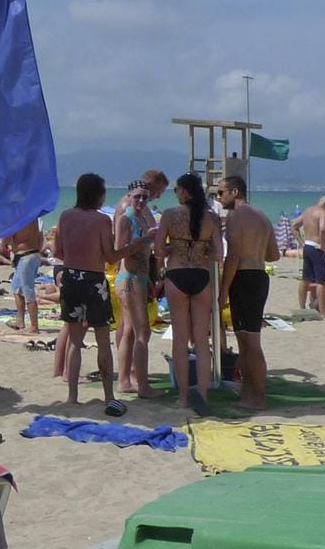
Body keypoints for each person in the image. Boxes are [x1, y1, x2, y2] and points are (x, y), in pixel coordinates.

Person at [55, 173, 119, 414]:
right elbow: (111, 256)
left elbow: (58, 251)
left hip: (71, 277)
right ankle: (108, 395)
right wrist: (133, 246)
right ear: (98, 195)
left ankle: (72, 396)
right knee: (103, 341)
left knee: (75, 341)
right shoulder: (102, 221)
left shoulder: (65, 216)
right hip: (93, 280)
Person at [159, 173, 220, 417]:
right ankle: (203, 394)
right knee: (202, 341)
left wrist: (174, 247)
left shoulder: (169, 215)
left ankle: (184, 398)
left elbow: (157, 249)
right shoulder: (212, 218)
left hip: (177, 274)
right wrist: (202, 251)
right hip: (201, 275)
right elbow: (218, 254)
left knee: (180, 340)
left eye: (176, 190)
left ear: (183, 192)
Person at [217, 175, 276, 410]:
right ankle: (250, 392)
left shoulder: (235, 216)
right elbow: (274, 255)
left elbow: (233, 257)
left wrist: (223, 289)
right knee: (246, 341)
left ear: (235, 192)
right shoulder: (262, 216)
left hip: (244, 278)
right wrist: (256, 248)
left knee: (250, 342)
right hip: (260, 277)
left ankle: (258, 397)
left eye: (221, 193)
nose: (218, 198)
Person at [113, 173, 161, 398]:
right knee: (143, 331)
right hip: (128, 279)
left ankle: (125, 381)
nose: (141, 201)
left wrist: (151, 278)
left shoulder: (142, 218)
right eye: (138, 197)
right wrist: (144, 239)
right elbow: (118, 252)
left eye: (145, 198)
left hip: (140, 278)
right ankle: (143, 387)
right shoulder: (126, 218)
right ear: (129, 196)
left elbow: (144, 252)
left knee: (131, 332)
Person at [6, 215, 43, 334]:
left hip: (25, 257)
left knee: (28, 291)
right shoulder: (33, 217)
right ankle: (20, 321)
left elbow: (6, 240)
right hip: (33, 254)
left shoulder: (17, 219)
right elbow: (40, 237)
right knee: (16, 288)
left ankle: (34, 327)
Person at [297, 194, 325, 317]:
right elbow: (322, 229)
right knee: (321, 281)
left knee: (305, 279)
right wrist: (322, 245)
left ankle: (302, 307)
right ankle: (323, 313)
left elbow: (294, 226)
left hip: (307, 245)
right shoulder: (323, 213)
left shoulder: (307, 211)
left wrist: (302, 243)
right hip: (316, 247)